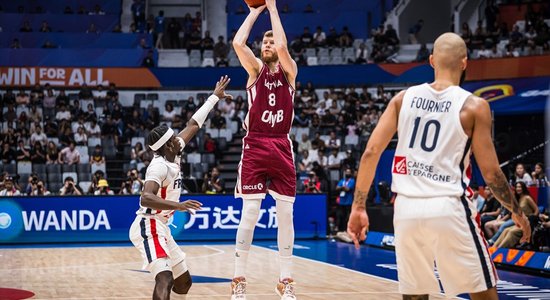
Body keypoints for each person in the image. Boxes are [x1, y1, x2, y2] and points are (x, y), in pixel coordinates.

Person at [347, 32, 530, 300]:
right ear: (465, 63)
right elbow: (491, 172)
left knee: (415, 295)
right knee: (484, 295)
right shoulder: (474, 106)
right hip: (449, 207)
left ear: (432, 61)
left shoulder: (402, 99)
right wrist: (516, 211)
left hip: (407, 209)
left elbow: (371, 153)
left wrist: (358, 207)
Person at [128, 76, 231, 300]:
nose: (178, 137)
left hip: (162, 226)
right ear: (167, 145)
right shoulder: (158, 167)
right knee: (164, 278)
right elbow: (146, 198)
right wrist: (179, 205)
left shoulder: (174, 151)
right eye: (174, 137)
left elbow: (193, 125)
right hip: (149, 225)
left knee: (184, 283)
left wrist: (214, 97)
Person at [231, 0, 298, 298]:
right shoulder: (255, 70)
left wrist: (272, 8)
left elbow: (284, 50)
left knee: (286, 216)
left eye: (272, 39)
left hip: (282, 144)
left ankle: (286, 281)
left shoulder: (289, 71)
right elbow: (237, 42)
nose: (269, 43)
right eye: (265, 40)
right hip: (256, 144)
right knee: (250, 213)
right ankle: (238, 280)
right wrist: (254, 12)